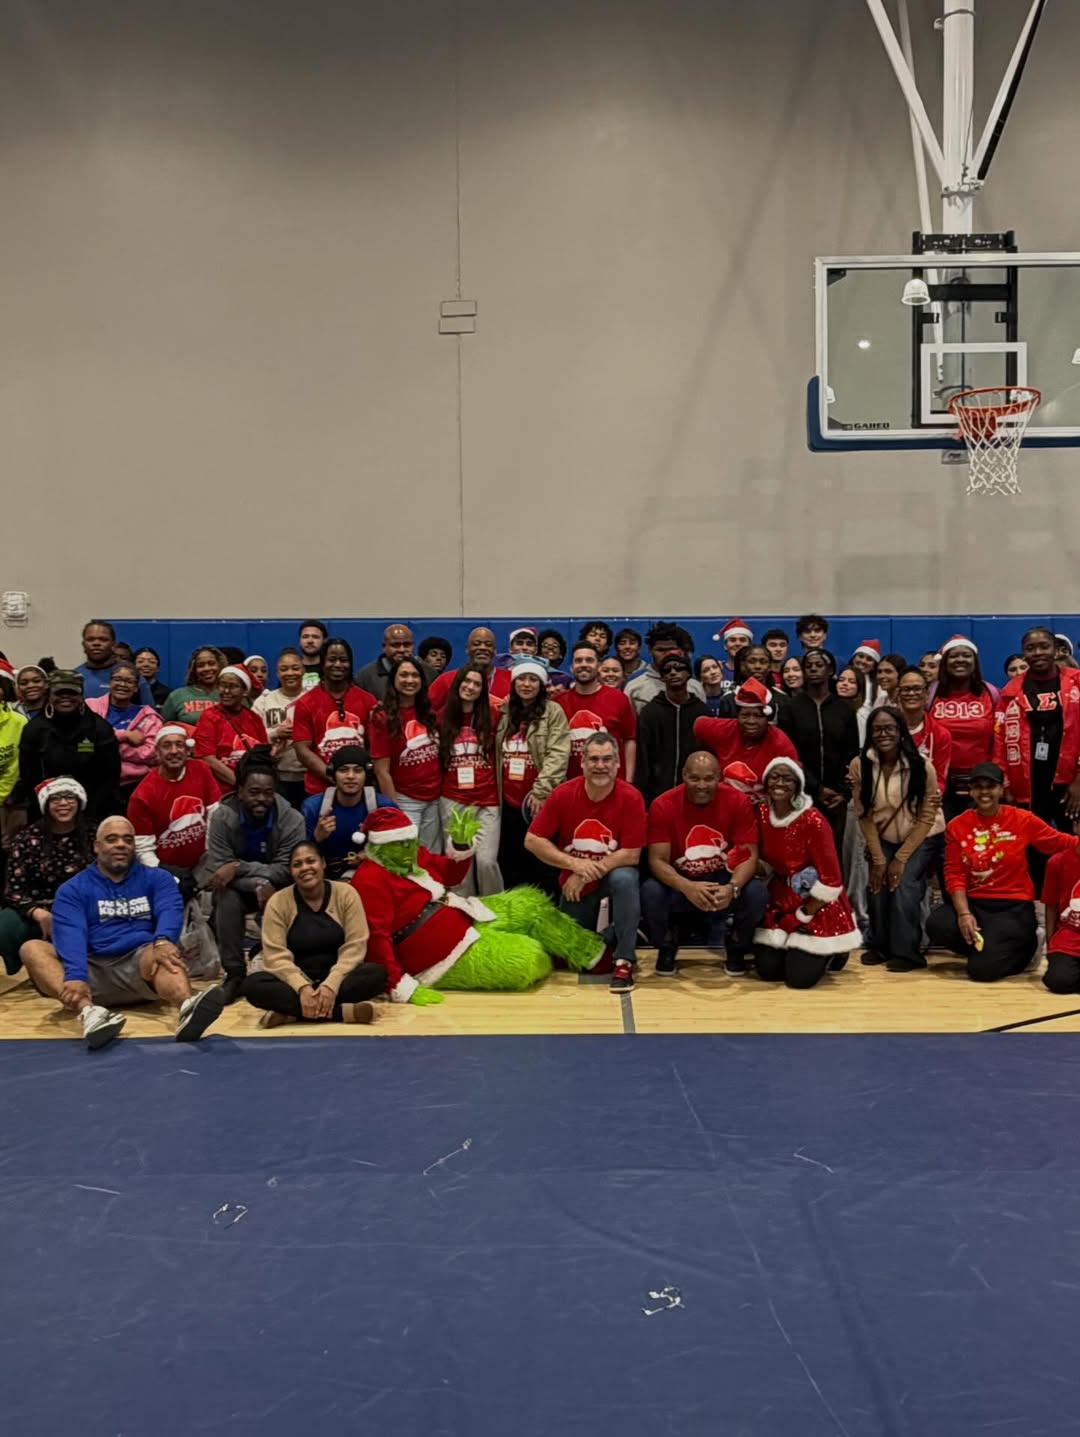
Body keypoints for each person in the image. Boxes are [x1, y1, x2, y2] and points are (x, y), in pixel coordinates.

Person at [351, 806, 605, 999]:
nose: (408, 850)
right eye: (398, 845)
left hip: (460, 913)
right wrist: (399, 986)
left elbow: (450, 876)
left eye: (410, 842)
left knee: (531, 903)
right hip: (436, 955)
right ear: (379, 848)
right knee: (526, 959)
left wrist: (461, 846)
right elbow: (375, 937)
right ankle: (552, 950)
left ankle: (594, 955)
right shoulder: (369, 880)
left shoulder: (413, 855)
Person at [19, 816, 226, 1049]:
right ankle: (90, 1013)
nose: (121, 845)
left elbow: (169, 909)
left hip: (140, 966)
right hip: (90, 970)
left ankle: (187, 1006)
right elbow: (71, 935)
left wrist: (163, 940)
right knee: (32, 949)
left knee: (163, 951)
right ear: (96, 846)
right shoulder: (73, 889)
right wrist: (75, 975)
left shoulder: (158, 878)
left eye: (128, 840)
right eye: (112, 839)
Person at [926, 762, 1079, 982]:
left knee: (981, 972)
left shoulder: (1022, 819)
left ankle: (1027, 949)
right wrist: (964, 914)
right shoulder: (957, 826)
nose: (984, 792)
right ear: (971, 791)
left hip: (1013, 906)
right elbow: (954, 874)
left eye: (990, 786)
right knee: (938, 925)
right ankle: (992, 949)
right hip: (976, 904)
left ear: (1001, 789)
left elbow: (1060, 842)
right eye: (978, 786)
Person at [526, 731, 647, 993]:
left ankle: (624, 960)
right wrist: (575, 864)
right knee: (576, 958)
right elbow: (532, 840)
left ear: (618, 763)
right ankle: (617, 933)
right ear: (582, 763)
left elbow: (631, 854)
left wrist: (585, 871)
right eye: (594, 759)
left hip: (607, 876)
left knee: (625, 878)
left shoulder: (632, 797)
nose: (600, 765)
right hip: (575, 885)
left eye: (607, 759)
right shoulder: (563, 794)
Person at [196, 747, 305, 1002]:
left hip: (282, 887)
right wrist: (258, 882)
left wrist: (238, 867)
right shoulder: (222, 816)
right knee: (227, 898)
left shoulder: (292, 819)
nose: (261, 799)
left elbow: (286, 869)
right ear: (240, 791)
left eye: (268, 793)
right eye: (254, 792)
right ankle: (234, 974)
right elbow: (219, 869)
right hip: (242, 888)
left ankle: (287, 964)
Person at [643, 752, 766, 976]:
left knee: (756, 892)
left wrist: (732, 888)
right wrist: (687, 887)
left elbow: (749, 855)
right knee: (651, 891)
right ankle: (667, 945)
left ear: (719, 777)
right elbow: (657, 860)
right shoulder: (663, 805)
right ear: (683, 776)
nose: (702, 785)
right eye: (694, 778)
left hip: (723, 879)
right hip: (681, 882)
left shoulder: (738, 801)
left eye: (709, 779)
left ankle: (737, 946)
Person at [242, 842, 386, 1026]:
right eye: (297, 864)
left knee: (377, 974)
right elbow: (275, 955)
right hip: (294, 982)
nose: (305, 868)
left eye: (311, 861)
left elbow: (355, 946)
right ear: (291, 871)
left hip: (339, 978)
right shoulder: (278, 902)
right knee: (252, 985)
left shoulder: (346, 894)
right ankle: (340, 1012)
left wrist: (330, 985)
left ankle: (293, 1014)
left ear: (323, 863)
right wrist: (302, 987)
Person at [752, 759, 861, 988]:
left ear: (798, 785)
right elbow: (767, 863)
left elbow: (831, 881)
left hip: (816, 901)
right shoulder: (761, 814)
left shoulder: (813, 821)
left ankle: (834, 952)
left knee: (799, 980)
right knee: (768, 972)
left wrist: (802, 914)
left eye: (787, 779)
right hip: (781, 896)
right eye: (774, 777)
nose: (780, 783)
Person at [851, 707, 943, 971]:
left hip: (922, 836)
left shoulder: (922, 766)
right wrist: (879, 859)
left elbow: (927, 817)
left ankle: (907, 952)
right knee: (877, 885)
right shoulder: (859, 765)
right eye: (877, 729)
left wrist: (900, 859)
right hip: (883, 835)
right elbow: (864, 816)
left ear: (901, 731)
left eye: (889, 728)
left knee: (903, 885)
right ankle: (879, 945)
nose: (883, 734)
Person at [994, 626, 1080, 878]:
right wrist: (1005, 783)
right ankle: (1041, 899)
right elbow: (999, 739)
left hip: (1071, 784)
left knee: (1074, 844)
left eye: (1044, 646)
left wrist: (1079, 780)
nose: (1038, 652)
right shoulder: (1011, 691)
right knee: (1033, 847)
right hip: (1029, 783)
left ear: (1056, 650)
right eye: (1030, 648)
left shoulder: (1076, 682)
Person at [0, 777, 93, 975]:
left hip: (86, 907)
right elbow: (13, 891)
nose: (63, 803)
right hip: (41, 908)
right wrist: (37, 912)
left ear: (79, 802)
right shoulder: (27, 838)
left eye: (69, 797)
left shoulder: (94, 834)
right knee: (5, 925)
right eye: (55, 799)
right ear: (46, 804)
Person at [495, 656, 571, 891]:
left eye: (532, 679)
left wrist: (541, 791)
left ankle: (545, 907)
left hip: (538, 799)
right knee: (511, 861)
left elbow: (558, 753)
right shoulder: (505, 712)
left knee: (540, 861)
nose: (526, 684)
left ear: (541, 684)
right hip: (507, 799)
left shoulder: (553, 711)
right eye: (521, 679)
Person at [779, 650, 859, 852]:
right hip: (802, 794)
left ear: (830, 670)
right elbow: (788, 754)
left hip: (837, 798)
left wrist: (842, 792)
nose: (813, 669)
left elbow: (851, 753)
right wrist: (817, 788)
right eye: (808, 666)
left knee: (834, 852)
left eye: (819, 665)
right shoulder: (790, 708)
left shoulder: (844, 709)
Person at [128, 726, 221, 893]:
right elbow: (143, 848)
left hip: (204, 861)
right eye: (167, 746)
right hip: (165, 869)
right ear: (157, 752)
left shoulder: (201, 769)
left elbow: (214, 813)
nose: (174, 751)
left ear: (188, 750)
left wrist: (209, 858)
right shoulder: (142, 795)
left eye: (179, 745)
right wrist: (165, 875)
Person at [19, 670, 120, 822]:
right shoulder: (34, 729)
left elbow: (110, 777)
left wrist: (89, 814)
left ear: (81, 695)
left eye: (72, 693)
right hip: (44, 810)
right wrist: (48, 809)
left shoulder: (99, 728)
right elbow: (29, 777)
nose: (65, 697)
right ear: (49, 695)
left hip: (93, 810)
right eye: (59, 693)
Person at [368, 656, 443, 850]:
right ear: (393, 680)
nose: (410, 680)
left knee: (431, 857)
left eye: (415, 675)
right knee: (406, 858)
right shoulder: (382, 716)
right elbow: (381, 770)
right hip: (405, 800)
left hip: (435, 799)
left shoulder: (429, 711)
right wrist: (395, 810)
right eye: (403, 675)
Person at [438, 666, 502, 894]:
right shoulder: (441, 717)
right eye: (467, 681)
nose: (471, 687)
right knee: (460, 863)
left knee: (486, 862)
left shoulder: (493, 716)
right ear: (457, 684)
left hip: (487, 799)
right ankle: (462, 909)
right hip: (453, 799)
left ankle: (494, 907)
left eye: (477, 684)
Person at [291, 637, 378, 796]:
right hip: (319, 789)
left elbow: (375, 746)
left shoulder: (367, 700)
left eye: (343, 660)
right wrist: (333, 776)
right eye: (331, 660)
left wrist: (357, 777)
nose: (337, 665)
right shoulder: (306, 702)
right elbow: (302, 749)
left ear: (350, 663)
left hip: (360, 789)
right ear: (322, 663)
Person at [693, 678, 799, 801]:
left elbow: (793, 784)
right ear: (737, 716)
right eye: (745, 715)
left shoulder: (780, 744)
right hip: (724, 803)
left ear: (767, 719)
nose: (751, 721)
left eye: (758, 716)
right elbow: (698, 725)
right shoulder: (726, 728)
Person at [930, 635, 997, 821]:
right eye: (953, 656)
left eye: (966, 655)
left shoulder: (991, 693)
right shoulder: (931, 694)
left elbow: (1000, 739)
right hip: (941, 782)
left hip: (982, 782)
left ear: (975, 662)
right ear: (944, 662)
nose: (960, 660)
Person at [303, 744, 394, 880]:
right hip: (327, 878)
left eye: (358, 770)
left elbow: (401, 847)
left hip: (373, 875)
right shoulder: (313, 807)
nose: (350, 776)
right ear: (333, 774)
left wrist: (373, 853)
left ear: (367, 774)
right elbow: (300, 857)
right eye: (343, 770)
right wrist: (316, 839)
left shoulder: (384, 807)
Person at [634, 651, 707, 807]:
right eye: (667, 670)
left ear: (689, 674)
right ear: (662, 677)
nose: (673, 673)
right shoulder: (650, 712)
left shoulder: (702, 713)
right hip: (657, 795)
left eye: (679, 668)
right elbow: (643, 758)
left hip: (695, 793)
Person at [86, 663, 162, 810]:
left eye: (129, 681)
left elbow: (152, 754)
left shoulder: (149, 717)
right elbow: (84, 743)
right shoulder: (90, 707)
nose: (122, 684)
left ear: (136, 688)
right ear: (110, 683)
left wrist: (106, 748)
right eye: (118, 679)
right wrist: (125, 735)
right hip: (94, 782)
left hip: (135, 784)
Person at [557, 642, 637, 780]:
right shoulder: (558, 702)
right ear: (571, 667)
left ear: (599, 667)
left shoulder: (618, 699)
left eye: (589, 660)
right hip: (570, 783)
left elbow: (629, 740)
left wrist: (628, 780)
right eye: (578, 660)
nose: (583, 664)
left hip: (611, 781)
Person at [193, 662, 273, 790]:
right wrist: (240, 785)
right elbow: (208, 759)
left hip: (253, 788)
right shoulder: (209, 717)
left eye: (233, 686)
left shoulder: (254, 719)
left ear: (245, 691)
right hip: (223, 790)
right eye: (222, 685)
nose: (226, 691)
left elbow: (264, 756)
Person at [253, 648, 308, 807]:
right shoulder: (264, 701)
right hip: (275, 775)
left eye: (295, 668)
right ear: (277, 673)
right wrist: (275, 733)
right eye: (284, 669)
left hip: (308, 775)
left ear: (303, 671)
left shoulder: (314, 699)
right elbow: (251, 736)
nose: (290, 673)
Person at [624, 622, 704, 715]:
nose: (667, 654)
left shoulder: (694, 686)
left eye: (671, 649)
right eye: (661, 650)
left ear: (680, 650)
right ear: (650, 650)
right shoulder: (634, 687)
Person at [1041, 820, 1080, 994]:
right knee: (1057, 981)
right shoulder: (1057, 862)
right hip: (1068, 935)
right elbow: (1050, 906)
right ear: (1076, 826)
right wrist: (1051, 946)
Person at [75, 620, 155, 706]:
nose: (96, 643)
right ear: (83, 644)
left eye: (103, 639)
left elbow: (149, 712)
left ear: (113, 644)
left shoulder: (131, 674)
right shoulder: (76, 676)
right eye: (90, 639)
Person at [895, 667, 952, 785]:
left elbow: (940, 780)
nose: (911, 693)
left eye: (917, 689)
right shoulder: (885, 729)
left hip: (926, 794)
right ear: (898, 694)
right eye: (906, 689)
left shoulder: (941, 735)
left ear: (927, 694)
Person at [429, 628, 511, 706]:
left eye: (488, 645)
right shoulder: (445, 680)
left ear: (495, 651)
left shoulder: (511, 679)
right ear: (467, 649)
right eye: (476, 644)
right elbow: (426, 710)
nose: (482, 648)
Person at [357, 624, 424, 700]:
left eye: (407, 645)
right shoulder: (365, 677)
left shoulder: (427, 671)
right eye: (396, 645)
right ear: (384, 646)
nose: (402, 650)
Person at [161, 647, 225, 724]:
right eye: (200, 665)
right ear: (194, 670)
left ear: (220, 666)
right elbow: (164, 726)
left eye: (211, 664)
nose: (206, 668)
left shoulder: (230, 695)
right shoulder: (177, 696)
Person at [713, 618, 753, 688]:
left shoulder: (757, 671)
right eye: (732, 640)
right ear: (725, 646)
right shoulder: (717, 670)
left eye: (742, 640)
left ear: (750, 646)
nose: (737, 644)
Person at [836, 666, 869, 744]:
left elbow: (861, 743)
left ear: (859, 687)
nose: (844, 683)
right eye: (841, 680)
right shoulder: (831, 708)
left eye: (851, 681)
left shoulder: (861, 713)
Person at [297, 620, 328, 688]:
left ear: (324, 641)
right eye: (305, 637)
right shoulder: (292, 669)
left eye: (315, 637)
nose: (310, 641)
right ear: (300, 640)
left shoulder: (330, 668)